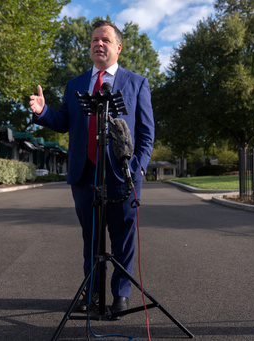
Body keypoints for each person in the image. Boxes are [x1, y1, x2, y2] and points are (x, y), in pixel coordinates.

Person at [29, 20, 154, 316]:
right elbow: (63, 122)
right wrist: (43, 112)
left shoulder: (137, 83)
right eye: (95, 40)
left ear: (118, 47)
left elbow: (146, 133)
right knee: (91, 237)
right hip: (85, 174)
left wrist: (139, 167)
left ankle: (121, 294)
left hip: (123, 173)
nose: (99, 44)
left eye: (106, 40)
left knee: (123, 237)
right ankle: (92, 292)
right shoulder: (75, 84)